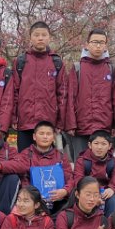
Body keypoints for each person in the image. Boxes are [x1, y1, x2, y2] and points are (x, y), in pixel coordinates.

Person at [12, 21, 67, 152]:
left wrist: (60, 121)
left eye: (44, 35)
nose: (40, 38)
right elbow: (14, 91)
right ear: (30, 38)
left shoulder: (56, 62)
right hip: (25, 122)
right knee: (24, 159)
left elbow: (62, 94)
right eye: (36, 35)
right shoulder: (20, 61)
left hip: (48, 122)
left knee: (48, 160)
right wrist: (14, 117)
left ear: (49, 38)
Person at [64, 28, 115, 161]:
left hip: (105, 126)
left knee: (104, 165)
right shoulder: (78, 67)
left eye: (101, 42)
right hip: (81, 126)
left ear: (106, 45)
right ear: (87, 44)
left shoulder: (111, 69)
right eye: (94, 42)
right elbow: (70, 97)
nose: (98, 46)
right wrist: (71, 124)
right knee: (81, 164)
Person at [1, 121, 73, 214]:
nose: (45, 137)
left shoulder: (61, 156)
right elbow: (24, 178)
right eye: (41, 133)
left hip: (58, 199)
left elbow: (70, 178)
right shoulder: (26, 154)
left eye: (48, 134)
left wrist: (65, 191)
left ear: (53, 137)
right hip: (33, 201)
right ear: (34, 136)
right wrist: (33, 195)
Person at [72, 130, 115, 217]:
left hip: (105, 192)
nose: (99, 147)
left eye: (103, 144)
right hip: (87, 191)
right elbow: (78, 180)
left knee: (113, 199)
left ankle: (110, 224)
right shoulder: (82, 160)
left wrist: (112, 189)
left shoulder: (114, 162)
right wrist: (93, 195)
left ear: (109, 146)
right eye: (96, 143)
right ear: (90, 145)